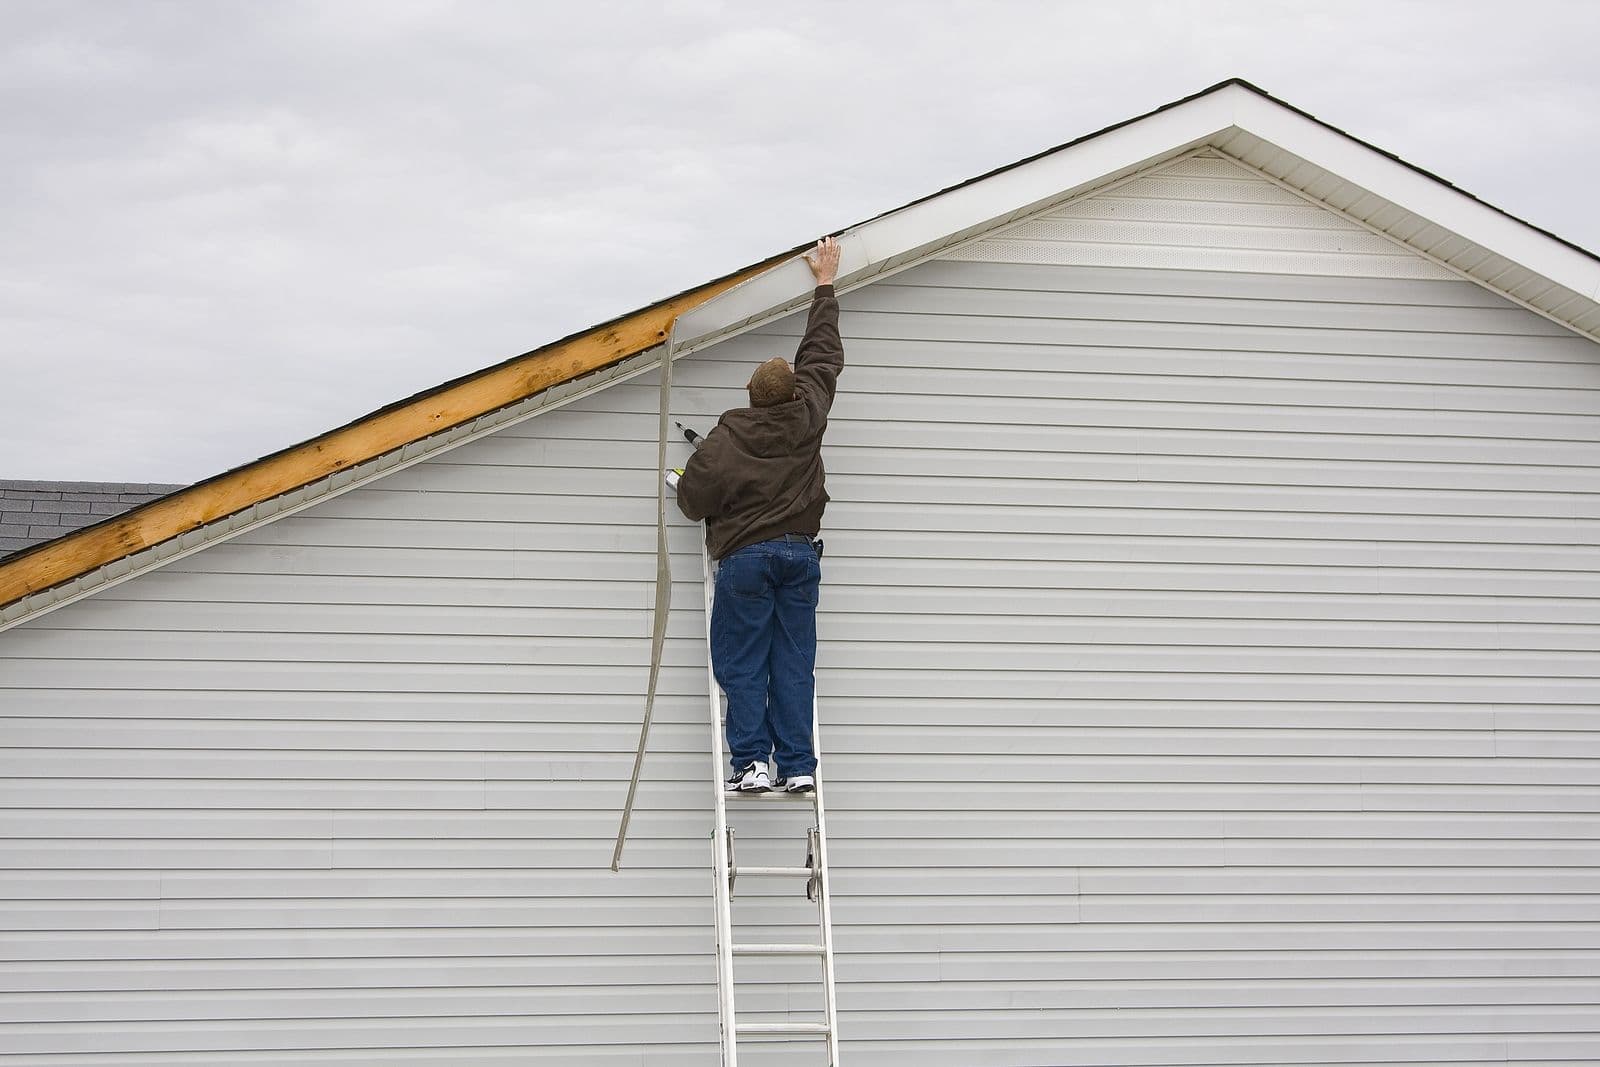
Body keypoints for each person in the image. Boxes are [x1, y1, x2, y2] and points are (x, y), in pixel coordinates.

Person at [675, 236, 844, 795]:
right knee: (793, 663)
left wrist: (699, 485)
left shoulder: (728, 438)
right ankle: (797, 766)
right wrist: (824, 282)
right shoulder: (809, 413)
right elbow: (821, 354)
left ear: (752, 399)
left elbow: (693, 499)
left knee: (744, 663)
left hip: (746, 562)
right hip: (799, 556)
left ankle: (752, 764)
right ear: (794, 393)